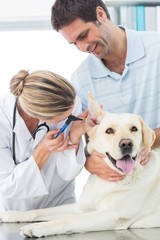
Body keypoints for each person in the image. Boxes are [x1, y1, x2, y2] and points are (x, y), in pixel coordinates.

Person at [51, 0, 160, 181]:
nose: (82, 47)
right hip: (123, 187)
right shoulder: (81, 80)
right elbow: (91, 143)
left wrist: (145, 142)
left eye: (83, 35)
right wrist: (89, 161)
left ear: (100, 14)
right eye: (74, 43)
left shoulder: (156, 49)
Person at [0, 69, 87, 211]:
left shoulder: (69, 101)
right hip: (15, 211)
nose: (69, 118)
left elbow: (68, 173)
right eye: (64, 118)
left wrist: (74, 137)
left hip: (60, 205)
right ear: (39, 115)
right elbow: (7, 185)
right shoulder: (3, 119)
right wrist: (43, 150)